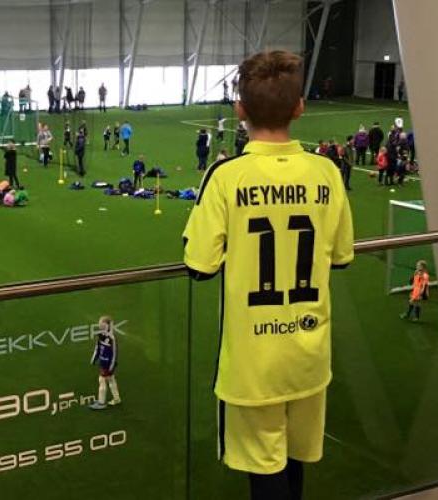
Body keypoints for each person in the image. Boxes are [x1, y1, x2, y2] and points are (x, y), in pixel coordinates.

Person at [182, 51, 353, 500]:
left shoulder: (226, 176)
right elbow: (341, 256)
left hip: (253, 362)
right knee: (294, 462)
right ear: (300, 108)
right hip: (309, 354)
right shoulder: (327, 172)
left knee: (264, 472)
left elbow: (200, 264)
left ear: (240, 110)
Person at [88, 315, 122, 410]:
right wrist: (94, 358)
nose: (101, 327)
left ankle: (101, 402)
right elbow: (97, 348)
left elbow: (114, 353)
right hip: (103, 362)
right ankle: (117, 399)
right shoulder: (100, 336)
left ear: (108, 326)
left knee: (102, 380)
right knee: (111, 379)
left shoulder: (112, 338)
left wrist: (111, 365)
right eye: (100, 325)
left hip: (108, 364)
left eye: (103, 325)